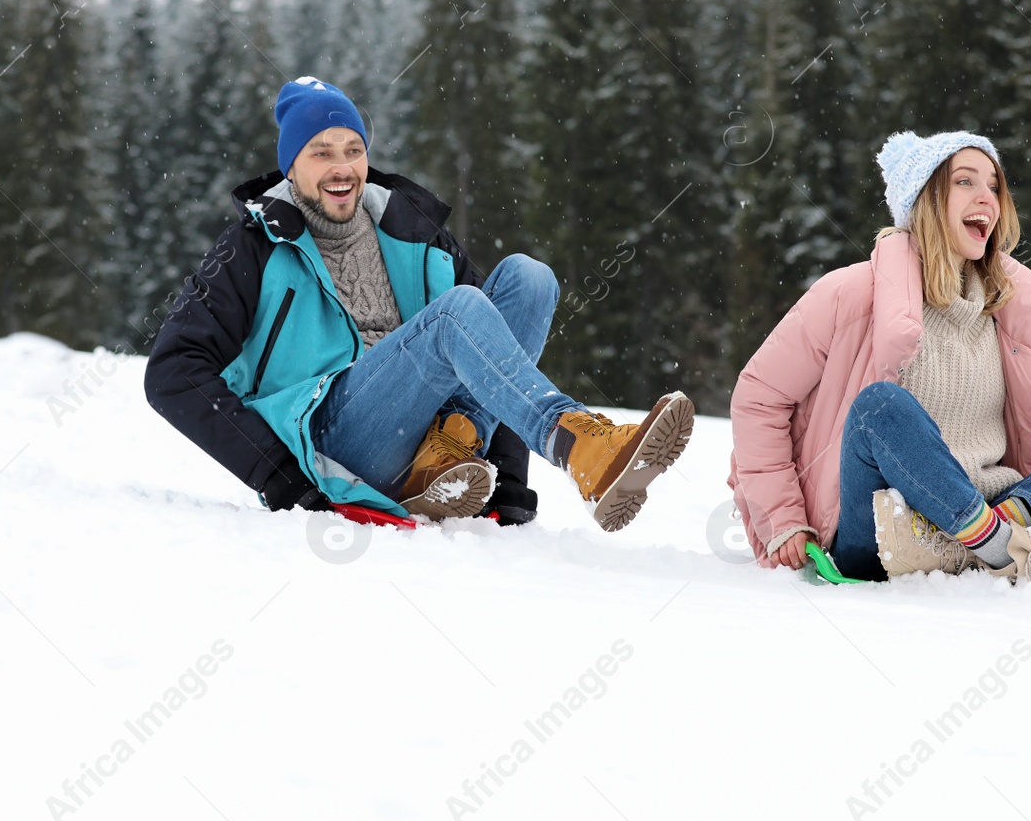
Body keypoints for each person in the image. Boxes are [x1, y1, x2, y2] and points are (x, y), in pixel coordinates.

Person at [144, 76, 694, 531]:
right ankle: (576, 444)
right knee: (458, 310)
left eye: (354, 150)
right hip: (334, 444)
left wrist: (507, 487)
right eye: (322, 153)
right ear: (292, 167)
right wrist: (280, 477)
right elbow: (172, 372)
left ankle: (442, 460)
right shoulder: (252, 246)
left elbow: (494, 351)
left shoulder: (407, 227)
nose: (342, 167)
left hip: (429, 436)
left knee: (529, 279)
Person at [728, 130, 1031, 583]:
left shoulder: (1005, 311)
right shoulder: (850, 292)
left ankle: (992, 539)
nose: (987, 197)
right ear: (925, 200)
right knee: (880, 407)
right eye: (966, 182)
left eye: (994, 186)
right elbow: (758, 398)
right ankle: (1015, 552)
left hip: (992, 504)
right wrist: (785, 519)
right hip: (881, 526)